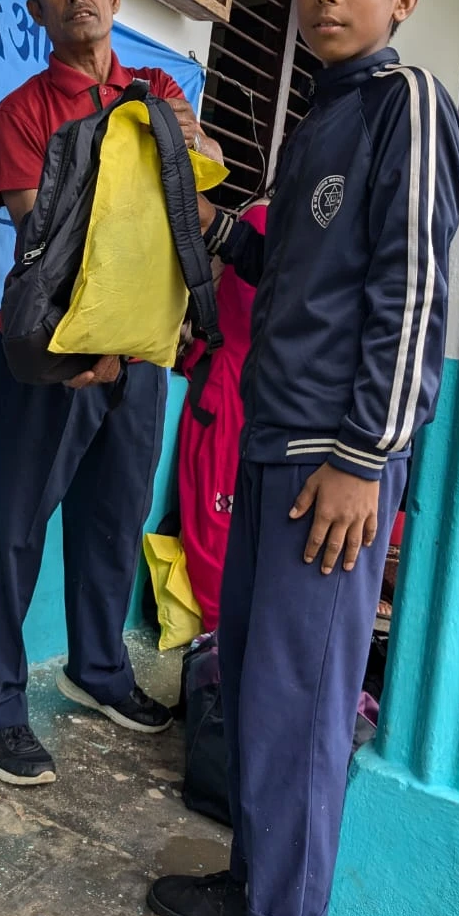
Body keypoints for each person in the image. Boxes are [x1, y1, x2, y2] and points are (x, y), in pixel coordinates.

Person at [148, 0, 459, 916]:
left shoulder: (405, 103)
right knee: (255, 682)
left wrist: (366, 457)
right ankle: (256, 888)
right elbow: (290, 269)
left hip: (333, 458)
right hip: (273, 443)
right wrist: (213, 223)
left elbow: (410, 292)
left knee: (303, 702)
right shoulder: (320, 120)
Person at [0, 0, 220, 785]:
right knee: (12, 528)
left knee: (113, 518)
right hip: (54, 355)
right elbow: (46, 243)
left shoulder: (161, 93)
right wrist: (92, 344)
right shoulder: (22, 113)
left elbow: (197, 205)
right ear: (35, 7)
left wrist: (189, 146)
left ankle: (98, 668)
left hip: (142, 351)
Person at [178, 198, 268, 631]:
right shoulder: (262, 221)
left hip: (252, 393)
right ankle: (218, 638)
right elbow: (255, 317)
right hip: (226, 390)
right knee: (218, 521)